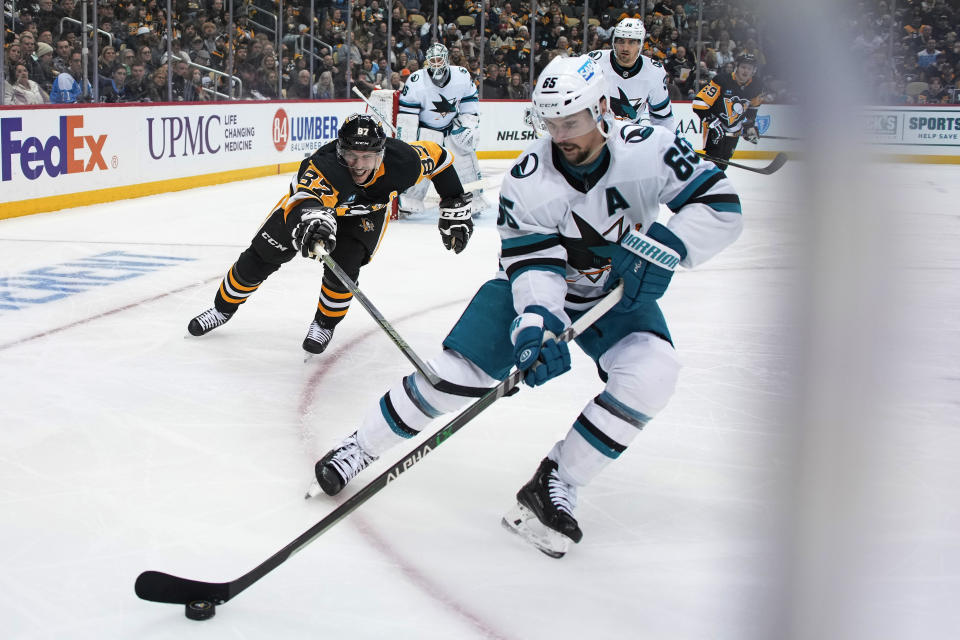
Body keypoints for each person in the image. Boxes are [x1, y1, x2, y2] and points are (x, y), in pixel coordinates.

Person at [306, 55, 743, 558]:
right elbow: (533, 265)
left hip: (619, 291)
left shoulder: (651, 149)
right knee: (454, 379)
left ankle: (556, 481)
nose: (561, 135)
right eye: (551, 123)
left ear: (601, 108)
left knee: (653, 374)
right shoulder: (527, 178)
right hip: (531, 288)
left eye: (572, 122)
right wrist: (535, 327)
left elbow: (721, 205)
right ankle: (361, 446)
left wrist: (665, 247)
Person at [186, 114, 474, 356]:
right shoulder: (322, 166)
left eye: (367, 157)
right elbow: (305, 200)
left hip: (363, 216)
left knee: (344, 270)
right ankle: (222, 309)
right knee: (260, 257)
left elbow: (440, 158)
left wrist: (453, 202)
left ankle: (324, 324)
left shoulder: (404, 162)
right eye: (351, 156)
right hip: (310, 211)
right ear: (340, 152)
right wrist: (313, 221)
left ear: (381, 154)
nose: (359, 165)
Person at [395, 42, 486, 216]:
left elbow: (470, 102)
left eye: (439, 59)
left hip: (452, 128)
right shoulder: (416, 81)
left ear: (446, 59)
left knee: (465, 160)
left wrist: (468, 124)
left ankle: (473, 199)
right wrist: (406, 143)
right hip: (426, 131)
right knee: (419, 163)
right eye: (432, 60)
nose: (436, 63)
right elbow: (407, 117)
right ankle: (409, 199)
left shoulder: (461, 75)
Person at [587, 18, 675, 130]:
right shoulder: (593, 62)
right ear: (614, 42)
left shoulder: (654, 71)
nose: (625, 48)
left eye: (632, 42)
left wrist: (669, 143)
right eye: (621, 41)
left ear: (640, 44)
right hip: (594, 131)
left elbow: (662, 118)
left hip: (629, 133)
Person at [692, 53, 765, 170]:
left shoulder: (757, 85)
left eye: (749, 68)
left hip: (735, 130)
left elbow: (753, 107)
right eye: (743, 67)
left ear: (754, 71)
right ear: (737, 66)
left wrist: (749, 126)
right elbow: (699, 103)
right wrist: (712, 122)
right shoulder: (722, 80)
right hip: (716, 127)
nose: (745, 71)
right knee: (712, 164)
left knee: (723, 165)